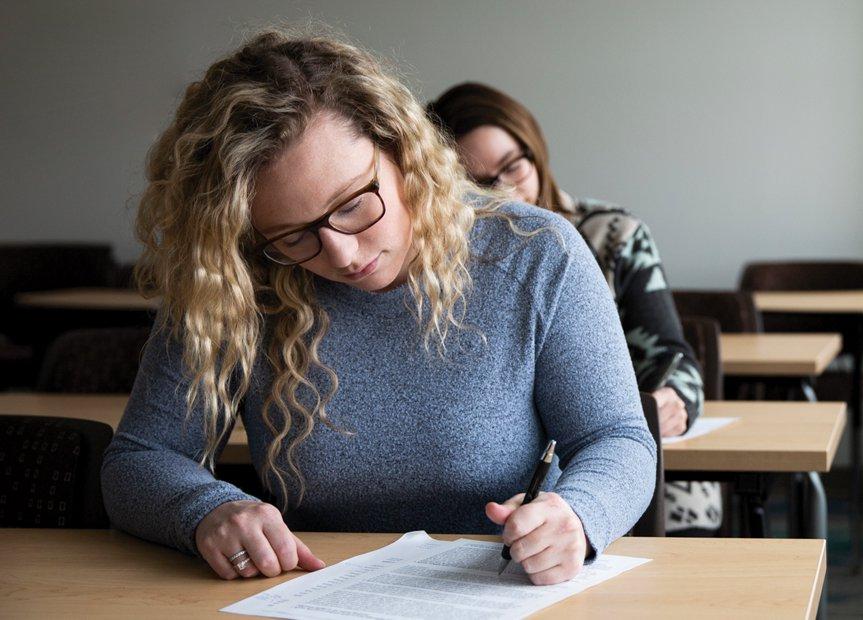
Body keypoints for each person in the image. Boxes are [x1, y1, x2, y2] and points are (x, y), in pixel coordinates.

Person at [100, 30, 656, 586]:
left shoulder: (534, 253)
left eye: (353, 205)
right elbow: (137, 460)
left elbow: (619, 440)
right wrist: (206, 510)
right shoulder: (237, 279)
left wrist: (578, 513)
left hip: (501, 588)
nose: (341, 254)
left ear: (401, 151)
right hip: (312, 591)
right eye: (292, 236)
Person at [428, 83, 721, 534]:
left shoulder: (612, 234)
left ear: (535, 149)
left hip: (618, 458)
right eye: (481, 184)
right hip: (514, 493)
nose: (506, 190)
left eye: (514, 166)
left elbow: (674, 355)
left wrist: (672, 400)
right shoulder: (446, 263)